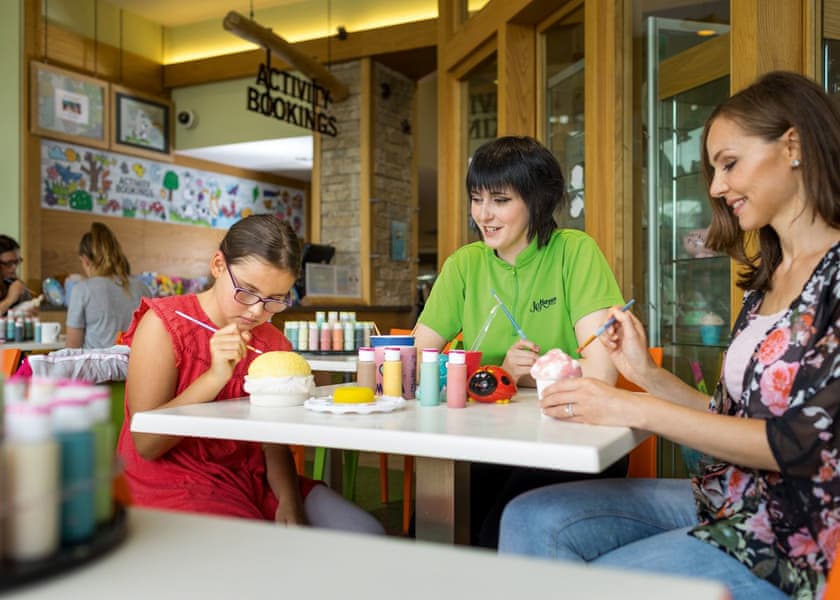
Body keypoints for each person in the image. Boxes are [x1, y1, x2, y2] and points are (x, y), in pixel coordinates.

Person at [498, 71, 840, 600]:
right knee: (527, 517)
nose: (716, 187)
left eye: (729, 163)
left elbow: (802, 446)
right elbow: (729, 419)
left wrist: (630, 407)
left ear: (792, 145)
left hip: (795, 538)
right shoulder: (769, 278)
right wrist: (645, 375)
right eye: (712, 169)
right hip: (728, 499)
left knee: (582, 584)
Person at [413, 136, 626, 548]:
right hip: (485, 441)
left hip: (568, 438)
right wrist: (499, 376)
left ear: (538, 200)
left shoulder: (574, 252)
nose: (484, 215)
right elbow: (415, 363)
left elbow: (602, 376)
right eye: (477, 199)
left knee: (497, 534)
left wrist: (528, 378)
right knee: (431, 529)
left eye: (500, 200)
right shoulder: (464, 265)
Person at [116, 215, 384, 534]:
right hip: (173, 479)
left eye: (274, 300)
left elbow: (272, 444)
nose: (256, 311)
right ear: (218, 265)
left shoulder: (272, 341)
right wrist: (215, 377)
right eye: (247, 291)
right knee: (260, 548)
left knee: (366, 531)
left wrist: (289, 500)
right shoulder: (163, 324)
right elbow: (145, 444)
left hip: (253, 477)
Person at [65, 222, 152, 349]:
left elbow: (73, 347)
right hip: (134, 366)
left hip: (96, 367)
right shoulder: (143, 288)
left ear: (85, 260)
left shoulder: (82, 289)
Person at [0, 234, 31, 316]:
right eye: (9, 263)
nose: (14, 268)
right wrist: (9, 300)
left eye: (17, 262)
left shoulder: (15, 283)